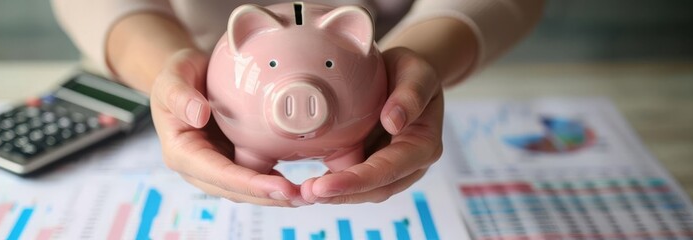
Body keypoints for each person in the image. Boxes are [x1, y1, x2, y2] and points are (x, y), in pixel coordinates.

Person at [52, 0, 544, 207]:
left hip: (386, 64)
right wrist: (164, 68)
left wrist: (423, 60)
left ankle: (343, 153)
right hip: (199, 61)